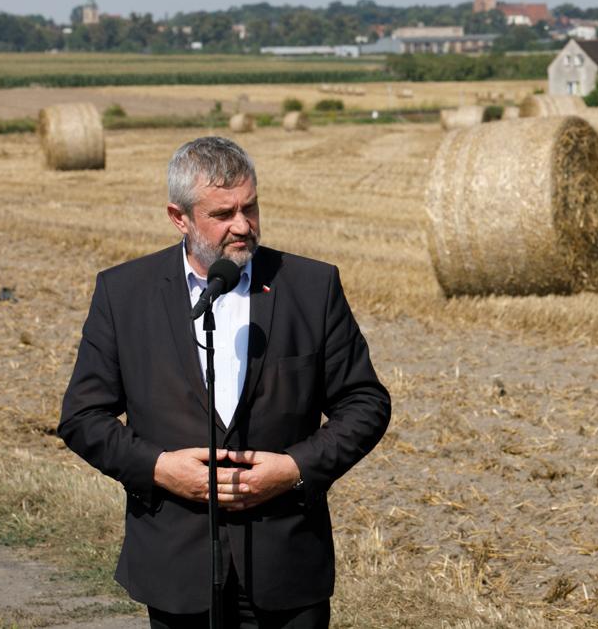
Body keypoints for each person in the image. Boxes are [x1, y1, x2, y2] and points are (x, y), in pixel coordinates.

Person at [59, 136, 391, 627]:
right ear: (180, 217)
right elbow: (82, 417)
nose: (243, 225)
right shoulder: (124, 293)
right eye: (223, 213)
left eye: (250, 207)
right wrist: (159, 468)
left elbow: (365, 403)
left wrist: (295, 468)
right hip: (177, 567)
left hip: (287, 564)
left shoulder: (311, 287)